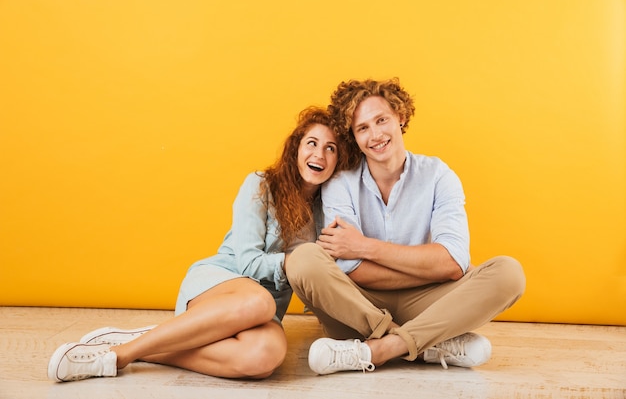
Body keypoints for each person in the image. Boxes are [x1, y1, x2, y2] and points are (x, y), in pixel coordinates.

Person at [47, 106, 353, 382]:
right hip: (221, 285)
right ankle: (118, 355)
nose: (320, 155)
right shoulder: (261, 184)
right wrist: (294, 263)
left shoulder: (327, 209)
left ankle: (153, 342)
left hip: (265, 310)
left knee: (265, 359)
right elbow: (248, 263)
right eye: (312, 143)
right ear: (296, 148)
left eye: (331, 149)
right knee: (260, 300)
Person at [285, 78, 526, 375]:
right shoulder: (341, 182)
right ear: (354, 136)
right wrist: (425, 264)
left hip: (427, 299)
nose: (375, 135)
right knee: (302, 259)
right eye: (362, 128)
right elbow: (351, 269)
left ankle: (381, 348)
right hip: (357, 304)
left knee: (509, 273)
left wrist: (364, 246)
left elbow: (452, 262)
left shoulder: (439, 175)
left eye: (381, 120)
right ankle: (424, 344)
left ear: (400, 117)